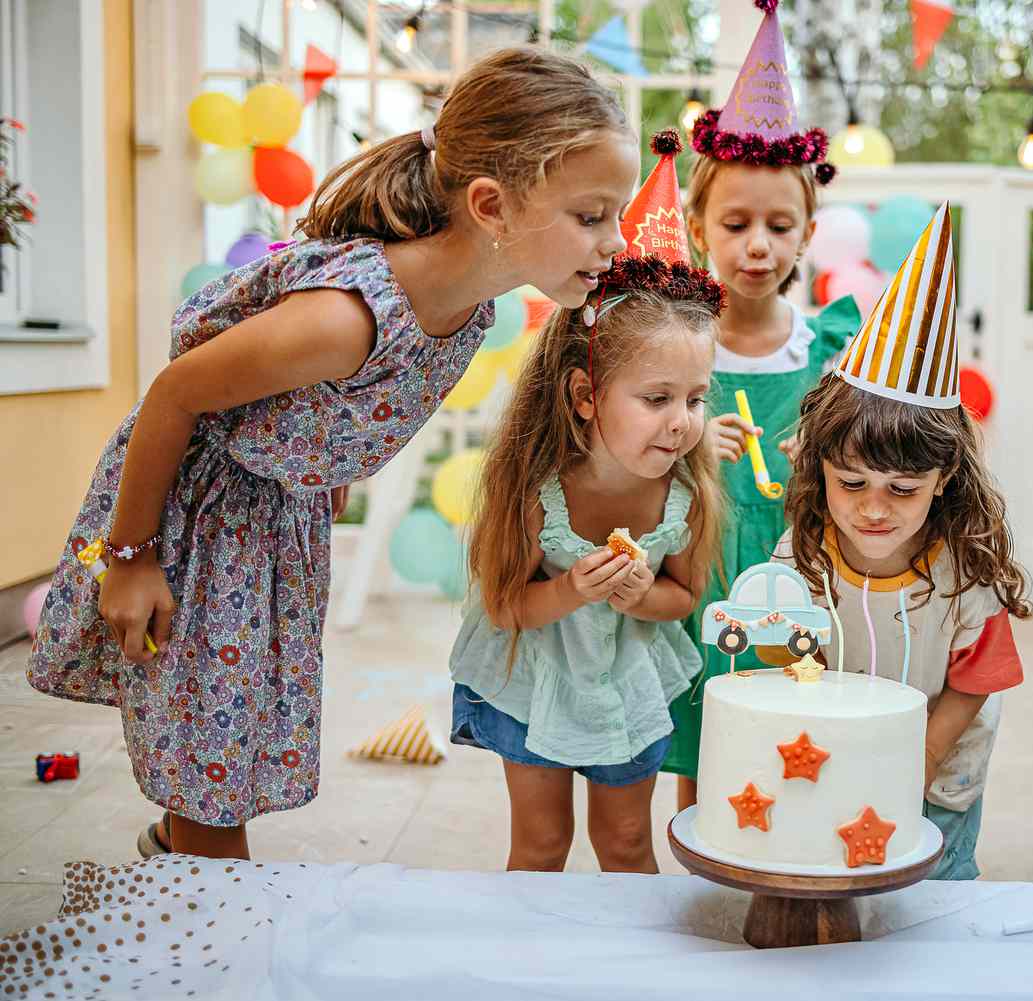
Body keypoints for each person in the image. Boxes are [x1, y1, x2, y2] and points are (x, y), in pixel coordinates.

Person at [27, 48, 637, 861]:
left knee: (236, 731)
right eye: (592, 216)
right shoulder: (346, 317)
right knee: (217, 765)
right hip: (200, 519)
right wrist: (132, 557)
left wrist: (330, 469)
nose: (614, 241)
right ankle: (212, 915)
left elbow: (348, 406)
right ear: (491, 205)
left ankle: (175, 854)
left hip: (278, 515)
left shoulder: (474, 311)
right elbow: (174, 395)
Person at [449, 132, 726, 873]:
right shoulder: (536, 491)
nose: (683, 420)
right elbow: (506, 606)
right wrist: (572, 587)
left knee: (628, 842)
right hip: (533, 677)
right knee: (541, 843)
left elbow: (684, 596)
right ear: (583, 395)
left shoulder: (688, 493)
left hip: (626, 682)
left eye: (696, 398)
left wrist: (641, 597)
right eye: (658, 397)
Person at [776, 202, 1030, 880]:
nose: (874, 510)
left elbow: (979, 677)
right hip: (826, 756)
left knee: (931, 891)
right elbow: (779, 642)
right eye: (851, 483)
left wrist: (917, 757)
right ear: (819, 468)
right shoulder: (800, 551)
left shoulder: (963, 565)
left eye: (902, 488)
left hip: (936, 773)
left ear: (944, 477)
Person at [661, 0, 858, 807]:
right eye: (736, 222)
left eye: (780, 226)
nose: (758, 246)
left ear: (808, 233)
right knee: (701, 754)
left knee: (794, 756)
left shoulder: (830, 350)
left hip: (799, 578)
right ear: (698, 224)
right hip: (697, 576)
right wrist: (689, 440)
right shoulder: (675, 346)